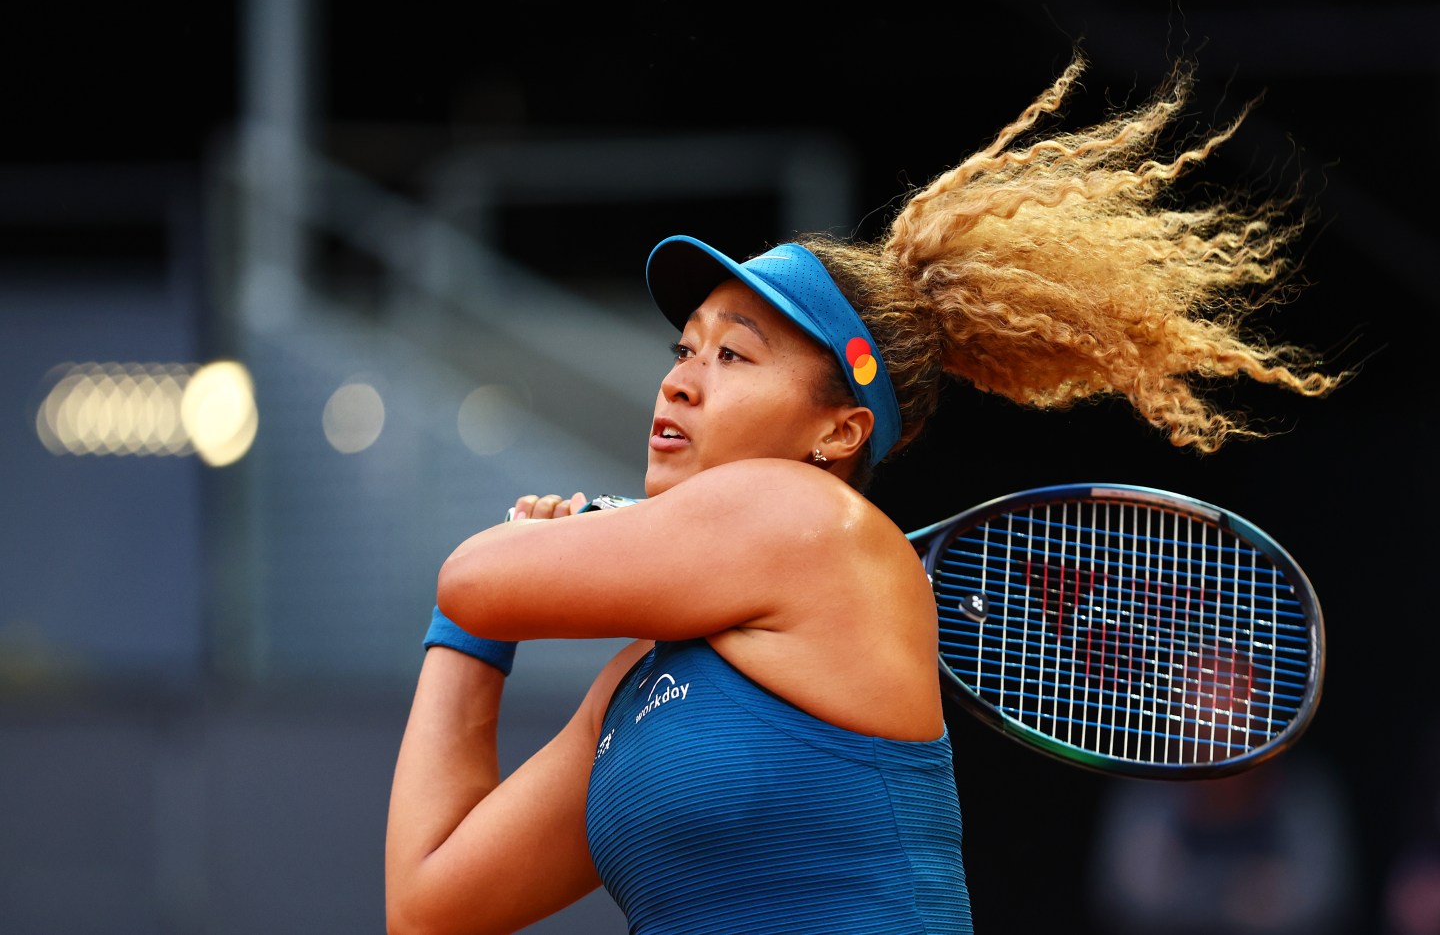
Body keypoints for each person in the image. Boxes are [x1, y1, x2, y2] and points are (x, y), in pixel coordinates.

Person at [384, 52, 1344, 935]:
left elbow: (478, 573)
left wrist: (500, 569)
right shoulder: (633, 683)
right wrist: (472, 628)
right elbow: (431, 905)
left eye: (731, 355)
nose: (679, 380)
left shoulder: (814, 526)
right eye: (682, 350)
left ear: (837, 434)